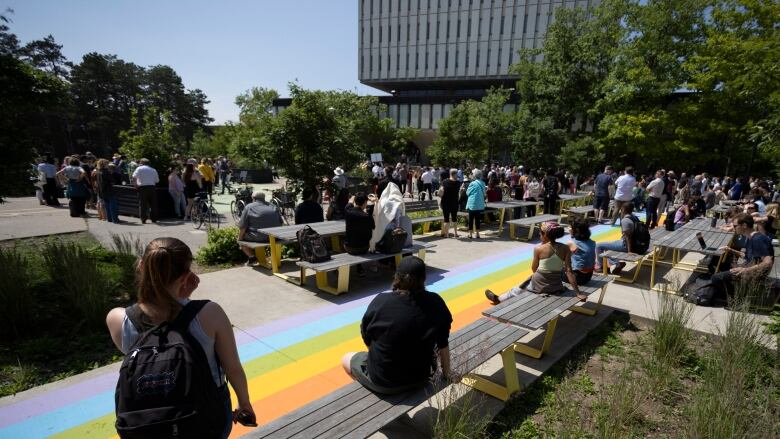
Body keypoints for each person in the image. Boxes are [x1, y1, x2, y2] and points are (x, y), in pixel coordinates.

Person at [105, 238, 255, 437]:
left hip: (147, 422)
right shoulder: (210, 313)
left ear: (141, 266)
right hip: (206, 417)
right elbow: (233, 368)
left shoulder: (117, 319)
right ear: (185, 276)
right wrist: (244, 404)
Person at [341, 256, 453, 394]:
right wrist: (447, 374)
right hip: (422, 378)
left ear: (397, 277)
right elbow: (443, 342)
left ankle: (372, 394)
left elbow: (366, 336)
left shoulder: (381, 301)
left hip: (384, 382)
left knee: (346, 358)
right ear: (423, 279)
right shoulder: (436, 302)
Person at [485, 221, 585, 303]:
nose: (539, 234)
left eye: (540, 233)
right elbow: (569, 271)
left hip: (539, 284)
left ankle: (498, 299)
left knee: (522, 286)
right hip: (555, 285)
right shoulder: (565, 248)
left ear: (545, 235)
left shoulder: (539, 249)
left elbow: (534, 269)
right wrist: (578, 293)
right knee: (528, 281)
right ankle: (500, 298)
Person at [707, 214, 774, 301]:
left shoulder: (758, 239)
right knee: (716, 263)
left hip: (755, 273)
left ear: (744, 225)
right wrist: (730, 250)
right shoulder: (751, 237)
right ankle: (724, 292)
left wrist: (744, 270)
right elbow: (747, 256)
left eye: (735, 226)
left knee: (715, 278)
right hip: (749, 266)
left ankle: (735, 299)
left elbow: (768, 262)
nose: (733, 228)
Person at [238, 191, 283, 265]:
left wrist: (239, 239)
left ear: (253, 198)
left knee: (241, 239)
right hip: (275, 236)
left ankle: (252, 257)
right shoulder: (273, 206)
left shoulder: (249, 207)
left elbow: (242, 227)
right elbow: (281, 222)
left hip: (260, 238)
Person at [596, 203, 640, 274]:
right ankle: (616, 263)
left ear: (623, 209)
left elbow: (628, 236)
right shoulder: (634, 217)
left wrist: (629, 250)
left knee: (599, 246)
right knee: (608, 245)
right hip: (635, 244)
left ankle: (601, 267)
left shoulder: (625, 220)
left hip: (626, 245)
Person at [343, 192, 375, 258]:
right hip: (364, 248)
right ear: (365, 202)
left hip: (349, 248)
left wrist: (360, 196)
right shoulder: (367, 217)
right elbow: (373, 227)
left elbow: (351, 200)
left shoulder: (348, 210)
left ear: (355, 201)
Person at [568, 219, 596, 285]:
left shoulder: (571, 243)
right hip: (588, 276)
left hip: (577, 278)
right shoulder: (592, 242)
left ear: (575, 230)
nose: (568, 229)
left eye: (570, 227)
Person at [132, 158, 159, 224]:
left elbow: (134, 177)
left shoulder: (139, 168)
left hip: (142, 188)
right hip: (152, 187)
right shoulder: (153, 170)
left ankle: (143, 219)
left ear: (141, 163)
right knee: (153, 204)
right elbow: (157, 181)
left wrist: (135, 185)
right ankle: (154, 219)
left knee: (143, 204)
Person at [96, 159, 120, 223]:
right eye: (107, 163)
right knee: (113, 205)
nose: (108, 165)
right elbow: (112, 181)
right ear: (104, 164)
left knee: (107, 205)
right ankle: (115, 219)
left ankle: (109, 219)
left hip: (102, 191)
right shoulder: (106, 172)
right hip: (109, 190)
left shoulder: (98, 172)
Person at [440, 169, 461, 238]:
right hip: (454, 203)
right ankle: (455, 233)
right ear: (454, 174)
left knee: (446, 219)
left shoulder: (444, 181)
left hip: (445, 202)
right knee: (454, 218)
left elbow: (441, 191)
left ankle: (447, 234)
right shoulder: (458, 183)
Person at [466, 169, 486, 239]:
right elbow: (484, 193)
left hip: (472, 204)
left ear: (474, 175)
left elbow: (467, 193)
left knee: (471, 219)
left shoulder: (472, 183)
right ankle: (477, 234)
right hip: (480, 204)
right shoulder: (483, 183)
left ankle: (470, 234)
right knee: (478, 219)